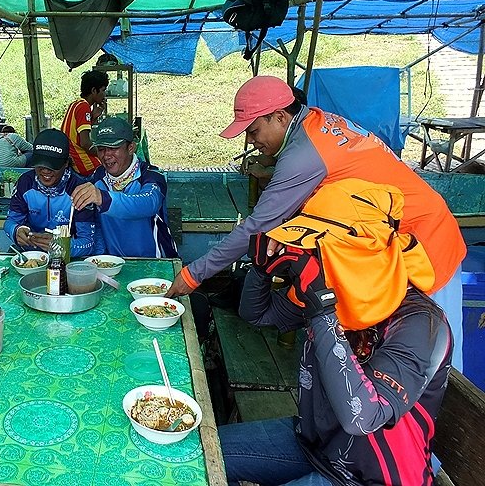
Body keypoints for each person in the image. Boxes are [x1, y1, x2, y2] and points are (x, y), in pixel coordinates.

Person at [166, 75, 466, 369]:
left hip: (422, 247)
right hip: (398, 237)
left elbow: (257, 226)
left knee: (429, 363)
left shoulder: (303, 155)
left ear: (280, 117)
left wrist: (194, 275)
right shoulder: (318, 123)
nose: (250, 140)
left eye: (254, 130)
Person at [221, 179, 452, 486]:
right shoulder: (337, 290)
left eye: (318, 249)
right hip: (317, 444)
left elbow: (364, 417)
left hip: (370, 478)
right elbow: (258, 314)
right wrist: (261, 270)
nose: (308, 257)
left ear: (357, 255)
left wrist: (322, 313)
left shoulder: (420, 323)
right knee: (198, 451)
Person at [71, 117, 178, 258]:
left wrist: (102, 198)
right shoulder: (97, 177)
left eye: (114, 148)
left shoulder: (152, 176)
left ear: (131, 148)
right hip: (113, 265)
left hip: (155, 263)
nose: (106, 155)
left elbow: (148, 204)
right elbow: (95, 228)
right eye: (101, 149)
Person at [3, 128, 96, 257]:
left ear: (66, 163)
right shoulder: (25, 183)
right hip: (30, 256)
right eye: (40, 164)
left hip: (67, 259)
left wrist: (61, 245)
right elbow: (11, 221)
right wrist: (15, 231)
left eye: (53, 165)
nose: (45, 171)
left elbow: (88, 243)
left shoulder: (79, 190)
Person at [61, 69, 108, 176]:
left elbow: (77, 133)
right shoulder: (84, 107)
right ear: (93, 91)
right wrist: (102, 154)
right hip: (81, 162)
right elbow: (85, 143)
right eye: (103, 90)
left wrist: (93, 118)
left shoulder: (75, 104)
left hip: (71, 156)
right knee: (110, 167)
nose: (104, 94)